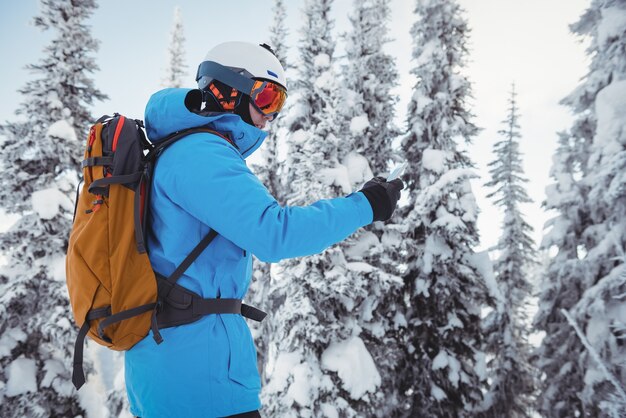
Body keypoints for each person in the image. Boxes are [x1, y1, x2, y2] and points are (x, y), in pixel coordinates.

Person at [124, 41, 404, 418]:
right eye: (268, 97)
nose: (270, 117)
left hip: (177, 369)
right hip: (200, 382)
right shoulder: (201, 154)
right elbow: (274, 234)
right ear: (229, 91)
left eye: (279, 103)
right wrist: (366, 205)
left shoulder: (180, 150)